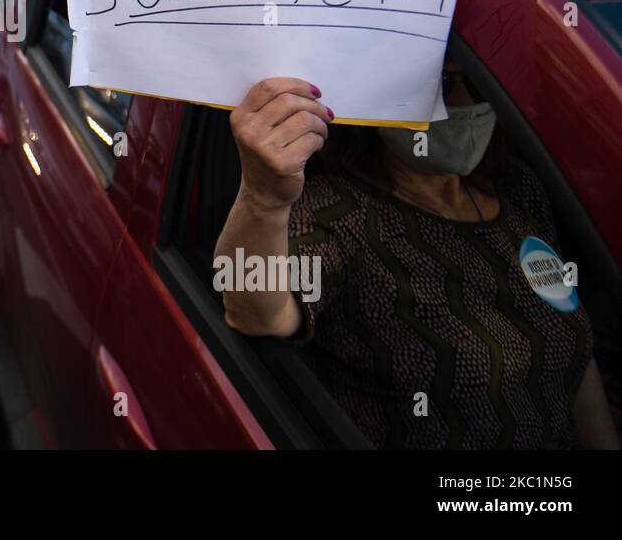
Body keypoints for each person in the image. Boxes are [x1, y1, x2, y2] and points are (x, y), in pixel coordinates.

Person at [216, 58, 618, 449]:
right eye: (441, 85)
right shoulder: (337, 214)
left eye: (475, 84)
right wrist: (263, 198)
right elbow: (259, 312)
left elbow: (573, 344)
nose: (464, 103)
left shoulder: (517, 189)